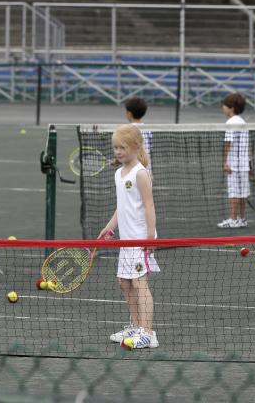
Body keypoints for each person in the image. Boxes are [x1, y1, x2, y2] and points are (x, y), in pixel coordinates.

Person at [99, 125, 160, 349]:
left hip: (140, 238)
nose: (118, 151)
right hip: (126, 240)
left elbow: (149, 205)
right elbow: (121, 207)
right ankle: (136, 326)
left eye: (122, 147)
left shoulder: (140, 173)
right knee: (124, 283)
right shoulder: (119, 173)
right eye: (115, 147)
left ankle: (148, 333)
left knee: (139, 282)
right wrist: (108, 228)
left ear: (135, 147)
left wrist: (150, 236)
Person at [218, 93, 250, 229]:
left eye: (224, 105)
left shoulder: (230, 123)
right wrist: (250, 163)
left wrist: (225, 162)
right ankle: (242, 219)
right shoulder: (243, 122)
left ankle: (233, 219)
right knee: (242, 193)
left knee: (234, 193)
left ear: (231, 108)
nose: (223, 108)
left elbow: (228, 143)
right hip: (244, 164)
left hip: (234, 165)